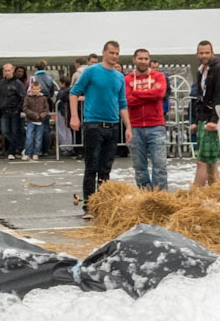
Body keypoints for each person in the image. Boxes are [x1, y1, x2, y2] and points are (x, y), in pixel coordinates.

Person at [67, 40, 129, 208]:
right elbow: (74, 92)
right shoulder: (91, 71)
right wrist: (74, 116)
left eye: (117, 53)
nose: (114, 56)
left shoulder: (119, 76)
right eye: (111, 53)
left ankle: (102, 203)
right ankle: (89, 203)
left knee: (106, 167)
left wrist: (128, 126)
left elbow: (122, 103)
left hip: (113, 125)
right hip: (93, 124)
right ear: (104, 53)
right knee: (91, 166)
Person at [125, 48, 169, 191]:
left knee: (160, 165)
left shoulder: (159, 76)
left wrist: (136, 93)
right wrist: (148, 95)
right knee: (139, 167)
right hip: (135, 126)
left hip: (156, 125)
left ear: (149, 60)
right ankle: (145, 198)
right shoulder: (127, 79)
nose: (143, 61)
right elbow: (127, 100)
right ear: (134, 60)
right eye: (140, 58)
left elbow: (159, 94)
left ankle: (160, 197)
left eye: (145, 58)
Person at [191, 40, 220, 188]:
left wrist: (215, 120)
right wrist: (197, 120)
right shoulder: (201, 70)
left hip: (215, 118)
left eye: (207, 52)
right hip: (205, 118)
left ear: (212, 53)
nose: (204, 55)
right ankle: (217, 193)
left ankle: (196, 194)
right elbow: (201, 98)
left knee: (202, 160)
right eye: (201, 53)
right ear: (197, 54)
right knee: (210, 162)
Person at [0, 63, 26, 158]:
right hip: (4, 111)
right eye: (5, 71)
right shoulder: (1, 82)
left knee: (14, 131)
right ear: (3, 71)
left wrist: (18, 109)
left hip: (15, 111)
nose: (7, 72)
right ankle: (20, 148)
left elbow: (23, 97)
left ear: (13, 70)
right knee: (5, 131)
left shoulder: (18, 83)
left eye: (9, 70)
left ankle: (12, 151)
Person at [21, 79, 51, 162]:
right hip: (30, 120)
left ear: (40, 89)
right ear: (31, 88)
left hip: (40, 121)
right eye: (34, 89)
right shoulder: (27, 98)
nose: (35, 91)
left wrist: (42, 115)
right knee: (29, 137)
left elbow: (46, 109)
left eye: (37, 89)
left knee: (38, 138)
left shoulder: (43, 98)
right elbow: (25, 108)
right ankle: (27, 153)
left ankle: (36, 153)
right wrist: (34, 114)